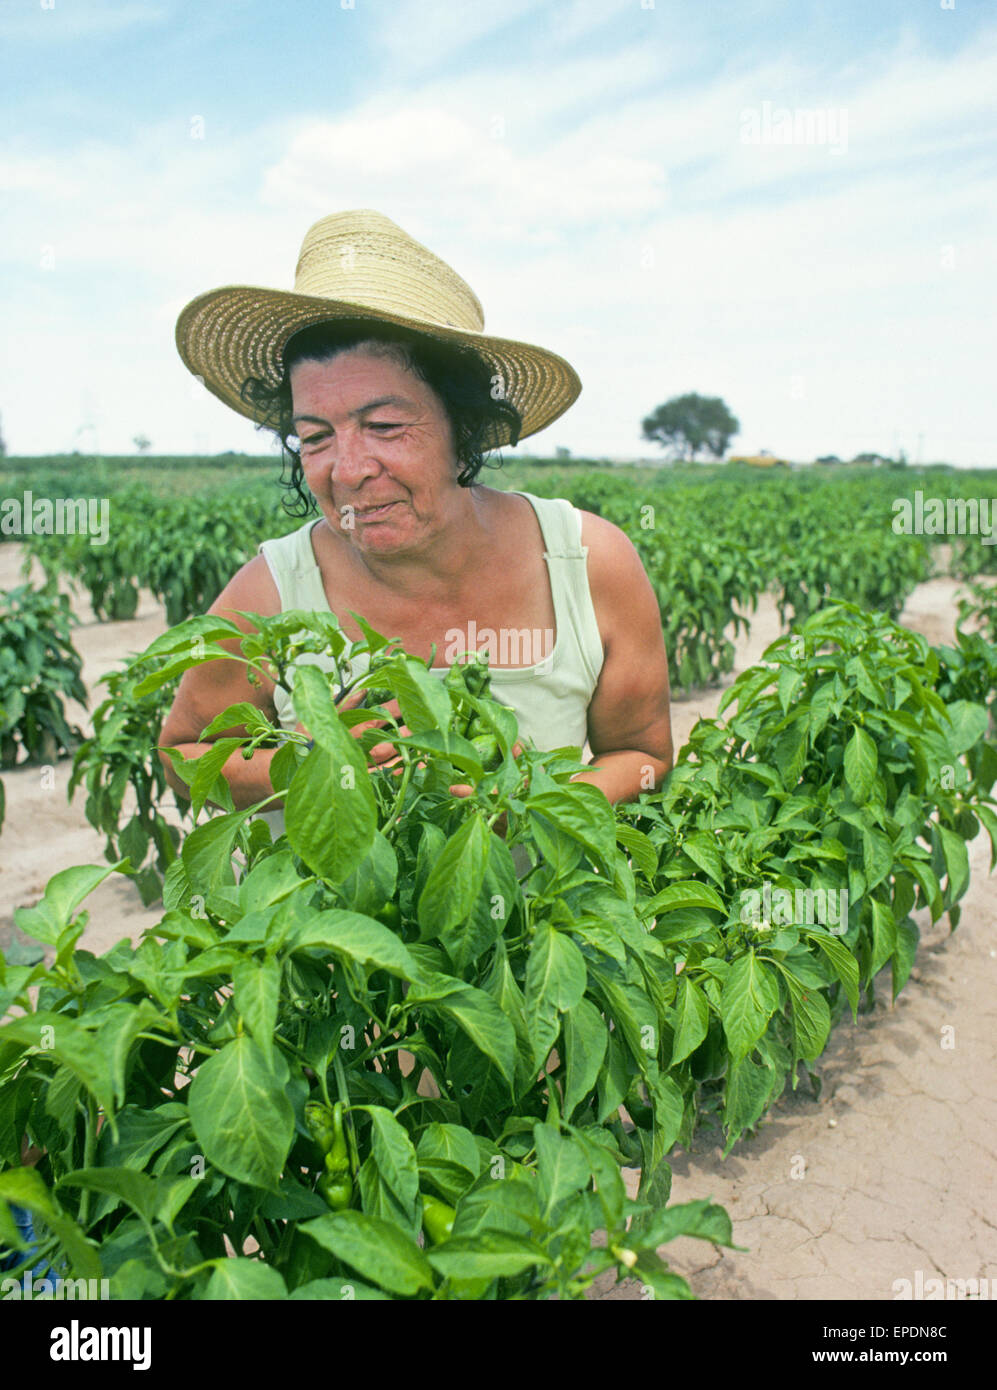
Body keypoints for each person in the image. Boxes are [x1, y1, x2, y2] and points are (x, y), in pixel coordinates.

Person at [160, 210, 673, 831]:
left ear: (466, 429)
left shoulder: (588, 564)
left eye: (384, 426)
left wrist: (526, 804)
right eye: (315, 436)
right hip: (329, 931)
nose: (347, 469)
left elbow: (641, 755)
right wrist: (308, 769)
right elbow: (182, 753)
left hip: (534, 927)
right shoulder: (272, 591)